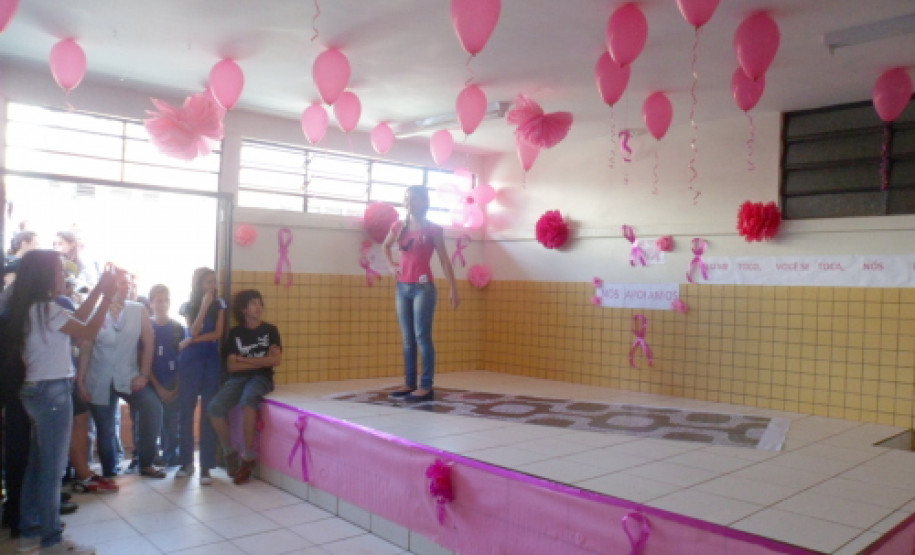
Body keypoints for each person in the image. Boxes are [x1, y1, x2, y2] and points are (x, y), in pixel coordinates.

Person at [1, 249, 116, 554]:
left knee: (37, 466)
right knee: (51, 472)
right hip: (52, 393)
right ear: (44, 276)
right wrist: (106, 297)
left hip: (33, 391)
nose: (63, 275)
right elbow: (88, 330)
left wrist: (97, 291)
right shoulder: (48, 311)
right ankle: (51, 540)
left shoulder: (30, 309)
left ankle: (28, 533)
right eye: (59, 271)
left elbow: (76, 319)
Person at [76, 266, 165, 480]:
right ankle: (109, 472)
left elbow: (149, 342)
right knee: (105, 428)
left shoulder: (137, 309)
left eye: (128, 283)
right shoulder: (96, 310)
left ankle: (146, 462)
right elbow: (86, 347)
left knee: (153, 407)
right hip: (99, 377)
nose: (126, 287)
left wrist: (144, 374)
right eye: (121, 283)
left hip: (129, 375)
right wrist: (80, 380)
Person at [382, 186, 460, 403]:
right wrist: (390, 266)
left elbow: (444, 260)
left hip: (423, 289)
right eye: (407, 199)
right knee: (407, 339)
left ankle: (426, 385)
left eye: (414, 199)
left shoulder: (434, 229)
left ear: (425, 202)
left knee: (421, 336)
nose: (409, 203)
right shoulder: (398, 226)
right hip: (402, 287)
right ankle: (409, 382)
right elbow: (385, 246)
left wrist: (454, 289)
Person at [208, 289, 281, 485]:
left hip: (261, 378)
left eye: (260, 303)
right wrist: (261, 360)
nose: (259, 307)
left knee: (248, 401)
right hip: (237, 378)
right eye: (254, 303)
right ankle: (229, 452)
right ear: (243, 309)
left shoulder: (270, 330)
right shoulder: (235, 334)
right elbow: (232, 365)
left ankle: (248, 457)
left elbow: (276, 361)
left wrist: (244, 359)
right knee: (214, 408)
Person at [175, 268, 226, 485]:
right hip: (190, 361)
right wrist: (204, 305)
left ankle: (206, 466)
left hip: (211, 360)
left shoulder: (221, 304)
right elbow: (193, 329)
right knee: (186, 410)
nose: (212, 286)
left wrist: (190, 341)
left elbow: (217, 334)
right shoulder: (188, 306)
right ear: (198, 284)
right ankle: (186, 463)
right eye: (208, 282)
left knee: (208, 411)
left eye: (214, 282)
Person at [148, 284, 184, 467]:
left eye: (166, 300)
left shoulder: (178, 328)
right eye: (158, 300)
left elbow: (183, 361)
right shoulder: (147, 327)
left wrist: (176, 388)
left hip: (173, 383)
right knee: (151, 422)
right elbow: (143, 362)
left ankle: (172, 457)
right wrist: (157, 387)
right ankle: (148, 458)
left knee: (172, 423)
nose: (163, 304)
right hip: (152, 384)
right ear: (151, 303)